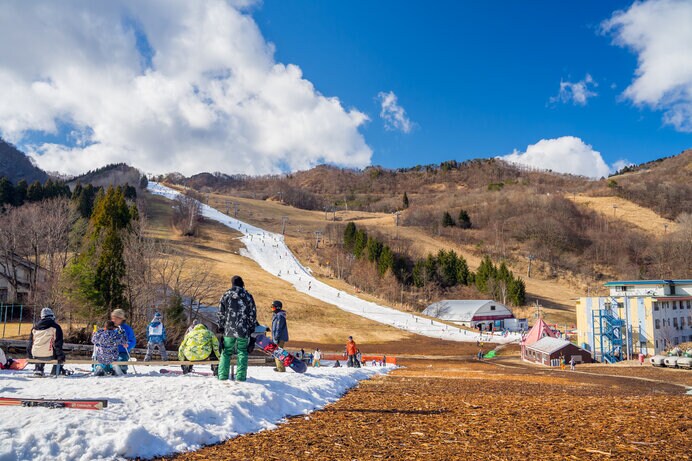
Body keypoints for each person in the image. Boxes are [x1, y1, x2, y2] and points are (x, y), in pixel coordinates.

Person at [217, 275, 257, 382]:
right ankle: (240, 377)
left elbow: (221, 313)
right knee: (242, 352)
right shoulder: (248, 296)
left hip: (228, 329)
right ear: (242, 283)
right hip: (243, 330)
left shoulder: (226, 295)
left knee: (226, 352)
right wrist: (251, 328)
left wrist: (221, 327)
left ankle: (222, 376)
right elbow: (252, 314)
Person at [28, 308, 65, 377]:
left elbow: (30, 343)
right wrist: (60, 356)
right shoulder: (55, 327)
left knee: (40, 348)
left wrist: (29, 355)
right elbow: (58, 343)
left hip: (35, 354)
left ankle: (38, 369)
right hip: (49, 355)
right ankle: (55, 371)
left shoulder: (34, 328)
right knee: (60, 354)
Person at [111, 309, 136, 374]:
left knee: (122, 359)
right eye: (113, 318)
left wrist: (128, 345)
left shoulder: (127, 329)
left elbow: (132, 341)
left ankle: (121, 369)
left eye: (115, 318)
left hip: (122, 351)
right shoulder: (110, 328)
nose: (113, 320)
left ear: (121, 319)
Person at [270, 300, 289, 372]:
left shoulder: (280, 316)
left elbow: (278, 328)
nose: (272, 309)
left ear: (277, 307)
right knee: (276, 352)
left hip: (279, 337)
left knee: (278, 352)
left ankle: (281, 368)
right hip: (277, 337)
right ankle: (279, 367)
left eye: (273, 307)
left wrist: (276, 337)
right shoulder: (277, 315)